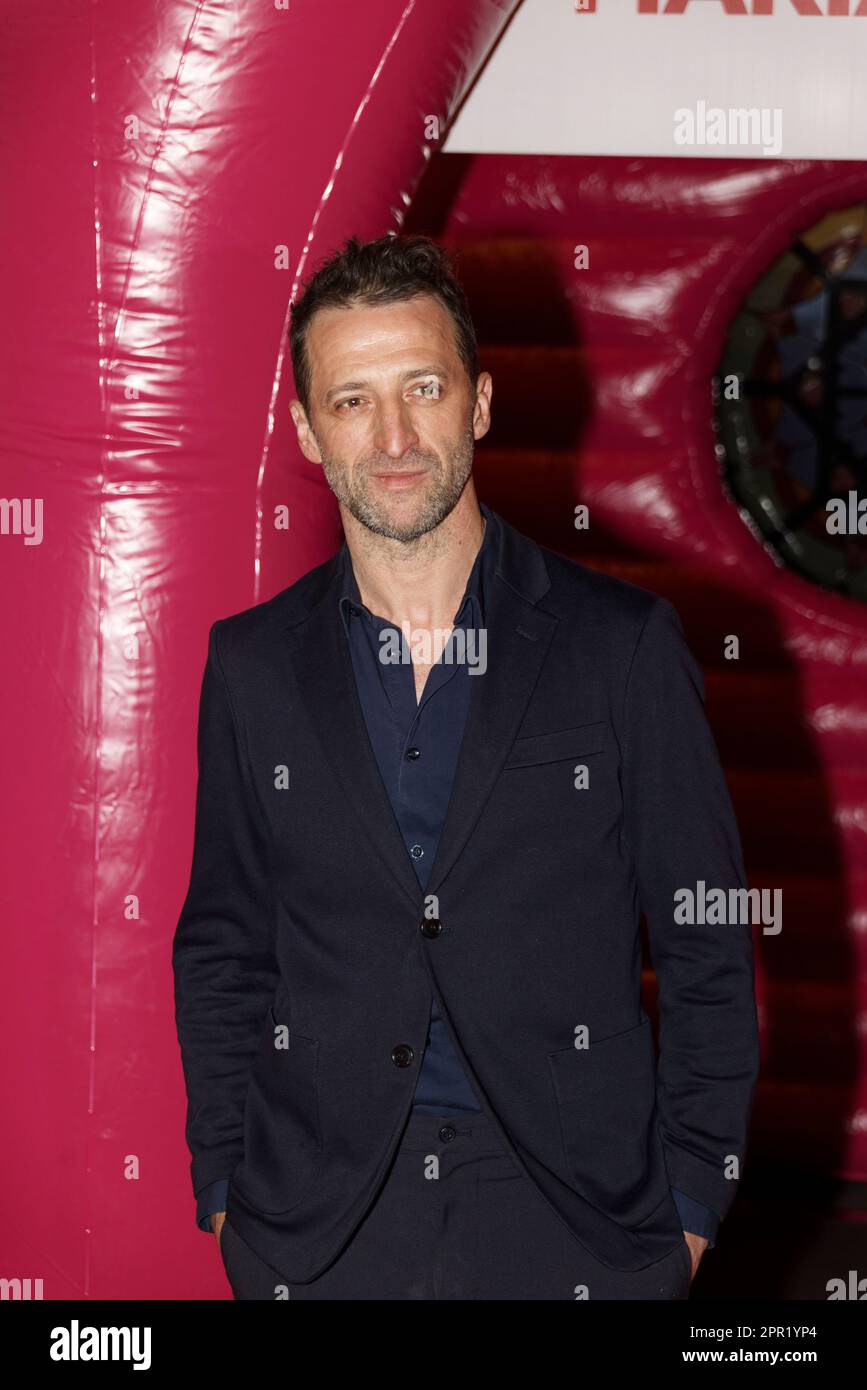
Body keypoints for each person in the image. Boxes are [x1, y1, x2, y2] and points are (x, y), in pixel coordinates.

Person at [172, 233, 760, 1300]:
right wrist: (225, 1181)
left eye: (424, 387)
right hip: (320, 1224)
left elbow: (707, 939)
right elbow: (222, 939)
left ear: (479, 403)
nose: (392, 436)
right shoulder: (251, 665)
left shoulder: (620, 644)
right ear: (308, 430)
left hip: (578, 1216)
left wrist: (690, 1209)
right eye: (352, 400)